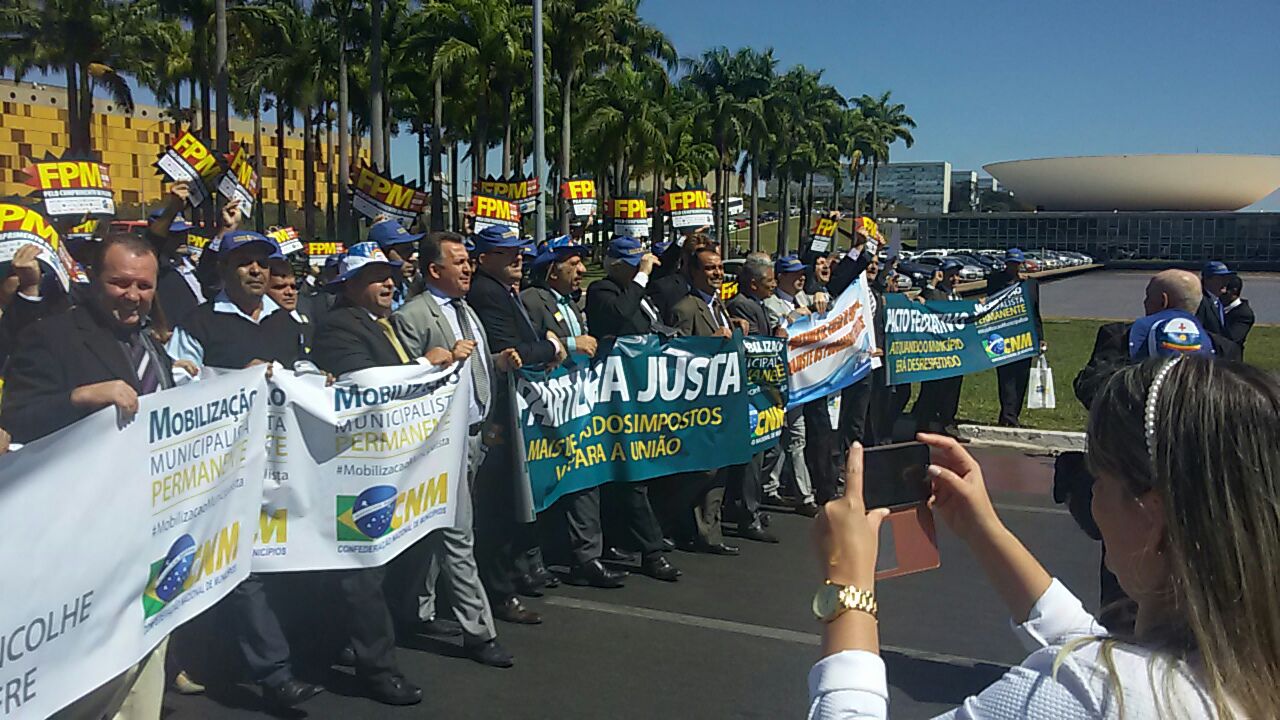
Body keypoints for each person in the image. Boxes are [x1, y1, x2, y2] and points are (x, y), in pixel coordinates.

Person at [807, 355, 1280, 718]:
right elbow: (1092, 644)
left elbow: (1095, 676)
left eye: (1097, 478)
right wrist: (982, 529)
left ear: (1151, 511)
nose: (1091, 495)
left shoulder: (1089, 693)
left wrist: (847, 585)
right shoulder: (1247, 666)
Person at [1, 233, 193, 718]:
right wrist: (79, 398)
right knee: (94, 679)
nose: (133, 295)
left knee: (145, 667)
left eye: (143, 285)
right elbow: (17, 416)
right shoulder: (51, 335)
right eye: (120, 283)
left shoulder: (149, 341)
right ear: (92, 279)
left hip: (149, 528)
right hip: (84, 534)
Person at [164, 230, 322, 709]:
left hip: (280, 466)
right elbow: (178, 385)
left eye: (262, 262)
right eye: (244, 263)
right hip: (220, 470)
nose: (256, 271)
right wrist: (240, 379)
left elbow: (305, 368)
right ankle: (273, 674)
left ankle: (231, 658)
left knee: (273, 562)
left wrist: (313, 380)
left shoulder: (286, 320)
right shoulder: (198, 323)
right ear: (223, 270)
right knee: (240, 563)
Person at [389, 230, 522, 669]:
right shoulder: (414, 315)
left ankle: (415, 610)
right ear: (434, 270)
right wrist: (436, 359)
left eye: (468, 262)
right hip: (438, 443)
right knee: (457, 534)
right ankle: (479, 632)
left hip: (476, 434)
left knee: (434, 531)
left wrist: (498, 362)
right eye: (460, 262)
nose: (468, 269)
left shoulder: (466, 310)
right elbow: (402, 382)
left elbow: (477, 364)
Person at [308, 242, 426, 705]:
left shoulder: (383, 323)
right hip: (357, 465)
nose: (390, 282)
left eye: (391, 274)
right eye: (377, 277)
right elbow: (365, 384)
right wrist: (423, 368)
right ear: (351, 285)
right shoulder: (340, 326)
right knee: (362, 569)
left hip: (390, 459)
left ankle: (337, 646)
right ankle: (377, 669)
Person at [466, 224, 566, 619]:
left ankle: (513, 573)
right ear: (485, 259)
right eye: (507, 254)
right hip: (497, 414)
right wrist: (553, 347)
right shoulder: (487, 294)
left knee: (514, 499)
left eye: (519, 252)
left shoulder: (504, 292)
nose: (518, 259)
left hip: (517, 408)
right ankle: (500, 589)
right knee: (498, 502)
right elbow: (511, 348)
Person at [521, 235, 629, 587]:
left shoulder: (568, 302)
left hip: (576, 406)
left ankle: (588, 556)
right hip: (546, 412)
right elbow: (528, 347)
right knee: (543, 483)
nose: (582, 270)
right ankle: (537, 559)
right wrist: (570, 344)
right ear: (552, 270)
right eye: (574, 264)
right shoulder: (532, 300)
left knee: (585, 478)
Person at [583, 236, 682, 581]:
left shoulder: (640, 294)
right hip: (615, 396)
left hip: (644, 394)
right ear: (616, 265)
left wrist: (678, 241)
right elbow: (616, 318)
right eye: (633, 263)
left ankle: (620, 539)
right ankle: (652, 552)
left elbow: (666, 278)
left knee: (634, 475)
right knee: (632, 474)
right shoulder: (602, 290)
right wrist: (640, 277)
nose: (642, 269)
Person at [666, 246, 743, 555]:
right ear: (695, 272)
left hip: (722, 403)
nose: (717, 273)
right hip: (694, 406)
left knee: (720, 468)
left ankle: (709, 534)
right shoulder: (685, 308)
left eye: (719, 267)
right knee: (701, 471)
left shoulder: (720, 307)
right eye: (710, 268)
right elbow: (674, 353)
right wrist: (706, 344)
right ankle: (671, 523)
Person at [1074, 269, 1240, 410]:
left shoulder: (1119, 336)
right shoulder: (1224, 348)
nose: (1144, 301)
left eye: (1147, 296)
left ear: (1163, 301)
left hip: (1134, 440)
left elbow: (1091, 390)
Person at [723, 252, 780, 544]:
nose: (774, 285)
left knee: (769, 451)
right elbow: (756, 346)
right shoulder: (741, 306)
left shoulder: (757, 304)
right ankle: (746, 513)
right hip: (748, 395)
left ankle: (749, 506)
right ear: (754, 284)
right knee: (751, 459)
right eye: (769, 281)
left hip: (765, 392)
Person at [763, 254, 820, 516]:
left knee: (796, 437)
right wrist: (792, 317)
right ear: (781, 278)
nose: (801, 278)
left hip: (801, 381)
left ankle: (795, 492)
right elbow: (777, 335)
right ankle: (778, 489)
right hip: (778, 382)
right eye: (795, 274)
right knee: (779, 438)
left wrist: (821, 295)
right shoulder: (771, 304)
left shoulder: (804, 298)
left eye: (803, 274)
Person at [984, 248, 1046, 427]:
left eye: (1017, 264)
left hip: (1025, 337)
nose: (1013, 267)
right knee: (1006, 378)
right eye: (1011, 263)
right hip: (1003, 336)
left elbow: (1035, 312)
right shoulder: (996, 281)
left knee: (1021, 377)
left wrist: (1040, 337)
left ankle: (1014, 415)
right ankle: (1007, 416)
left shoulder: (1030, 284)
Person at [914, 259, 965, 436]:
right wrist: (933, 283)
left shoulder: (959, 297)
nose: (955, 279)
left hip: (955, 352)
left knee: (952, 390)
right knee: (931, 389)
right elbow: (922, 300)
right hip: (936, 352)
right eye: (951, 275)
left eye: (957, 275)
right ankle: (924, 422)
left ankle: (948, 422)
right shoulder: (936, 294)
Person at [367, 218, 424, 309]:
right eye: (404, 251)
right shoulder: (371, 297)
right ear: (382, 253)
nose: (412, 257)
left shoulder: (413, 286)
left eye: (412, 250)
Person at [266, 259, 317, 352]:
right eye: (280, 287)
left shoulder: (307, 311)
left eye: (293, 287)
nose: (289, 292)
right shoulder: (259, 327)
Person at [1221, 274, 1254, 358]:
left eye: (1223, 288)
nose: (1220, 292)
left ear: (1234, 291)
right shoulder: (1214, 307)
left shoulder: (1244, 315)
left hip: (1230, 362)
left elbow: (1231, 339)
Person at [1195, 260, 1231, 336]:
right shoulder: (1200, 302)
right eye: (1220, 278)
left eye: (1227, 277)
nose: (1225, 281)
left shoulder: (1218, 301)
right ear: (1207, 280)